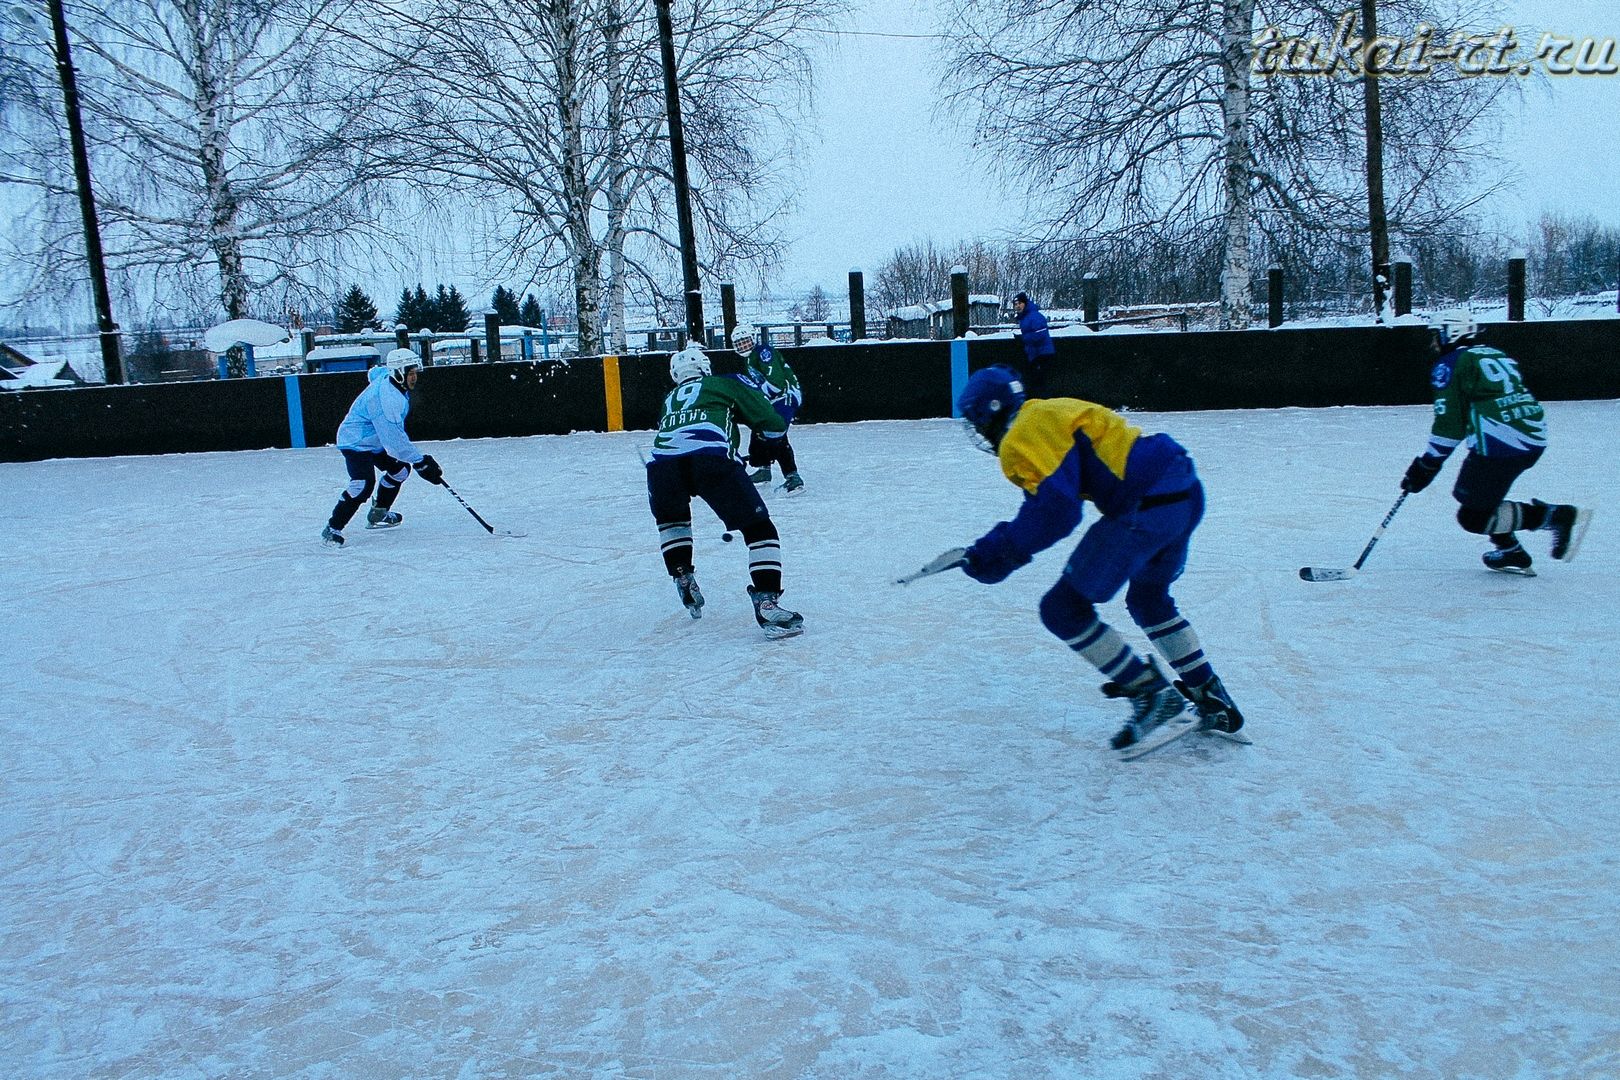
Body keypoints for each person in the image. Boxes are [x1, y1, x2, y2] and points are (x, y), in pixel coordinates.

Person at [954, 365, 1242, 751]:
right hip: (1184, 490)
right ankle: (1210, 693)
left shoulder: (1019, 435)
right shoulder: (1046, 411)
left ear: (988, 412)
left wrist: (996, 554)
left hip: (1147, 503)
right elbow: (1047, 500)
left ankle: (1153, 696)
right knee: (1148, 599)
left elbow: (1057, 511)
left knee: (1061, 609)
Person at [1399, 308, 1589, 574]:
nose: (1434, 342)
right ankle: (1511, 552)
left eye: (1437, 334)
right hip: (1532, 436)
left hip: (1502, 442)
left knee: (1473, 517)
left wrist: (1427, 465)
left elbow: (1450, 425)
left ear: (1451, 332)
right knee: (1477, 499)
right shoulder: (1494, 353)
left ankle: (1556, 517)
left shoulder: (1450, 363)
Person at [646, 344, 804, 638]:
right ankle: (767, 602)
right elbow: (768, 421)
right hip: (711, 460)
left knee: (673, 522)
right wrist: (779, 419)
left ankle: (683, 576)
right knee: (759, 528)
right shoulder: (724, 382)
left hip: (661, 468)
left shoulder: (669, 398)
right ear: (705, 368)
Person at [321, 348, 444, 546]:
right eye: (410, 373)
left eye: (415, 373)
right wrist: (421, 462)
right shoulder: (387, 399)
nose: (414, 378)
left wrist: (417, 463)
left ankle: (378, 514)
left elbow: (375, 373)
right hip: (355, 442)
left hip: (375, 440)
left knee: (400, 471)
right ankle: (332, 528)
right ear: (398, 373)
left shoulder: (391, 381)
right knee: (362, 484)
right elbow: (394, 442)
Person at [730, 325, 805, 492]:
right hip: (775, 400)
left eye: (745, 342)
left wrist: (754, 397)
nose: (743, 346)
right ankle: (764, 469)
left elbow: (775, 385)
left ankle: (793, 477)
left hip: (784, 397)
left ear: (753, 338)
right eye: (739, 344)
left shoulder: (764, 352)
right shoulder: (750, 358)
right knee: (760, 428)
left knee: (775, 433)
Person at [1011, 291, 1055, 396]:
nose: (1018, 306)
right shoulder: (1025, 317)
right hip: (1035, 353)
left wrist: (1024, 338)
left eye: (1020, 303)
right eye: (1016, 304)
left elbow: (1040, 334)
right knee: (1036, 381)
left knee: (1040, 382)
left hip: (1042, 354)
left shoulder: (1034, 316)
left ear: (1025, 303)